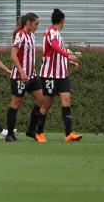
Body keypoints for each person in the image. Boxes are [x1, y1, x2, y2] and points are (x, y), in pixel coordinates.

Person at [35, 9, 82, 143]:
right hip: (49, 75)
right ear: (63, 21)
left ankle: (69, 134)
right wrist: (69, 55)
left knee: (66, 101)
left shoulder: (58, 34)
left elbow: (56, 54)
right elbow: (55, 47)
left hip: (62, 75)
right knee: (47, 103)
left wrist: (68, 62)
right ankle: (39, 133)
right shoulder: (51, 32)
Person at [4, 13, 43, 142]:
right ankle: (9, 134)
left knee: (42, 100)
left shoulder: (32, 36)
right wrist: (21, 72)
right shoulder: (20, 35)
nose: (37, 26)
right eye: (36, 24)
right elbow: (13, 55)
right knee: (16, 104)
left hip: (32, 76)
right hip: (20, 76)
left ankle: (31, 130)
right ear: (28, 23)